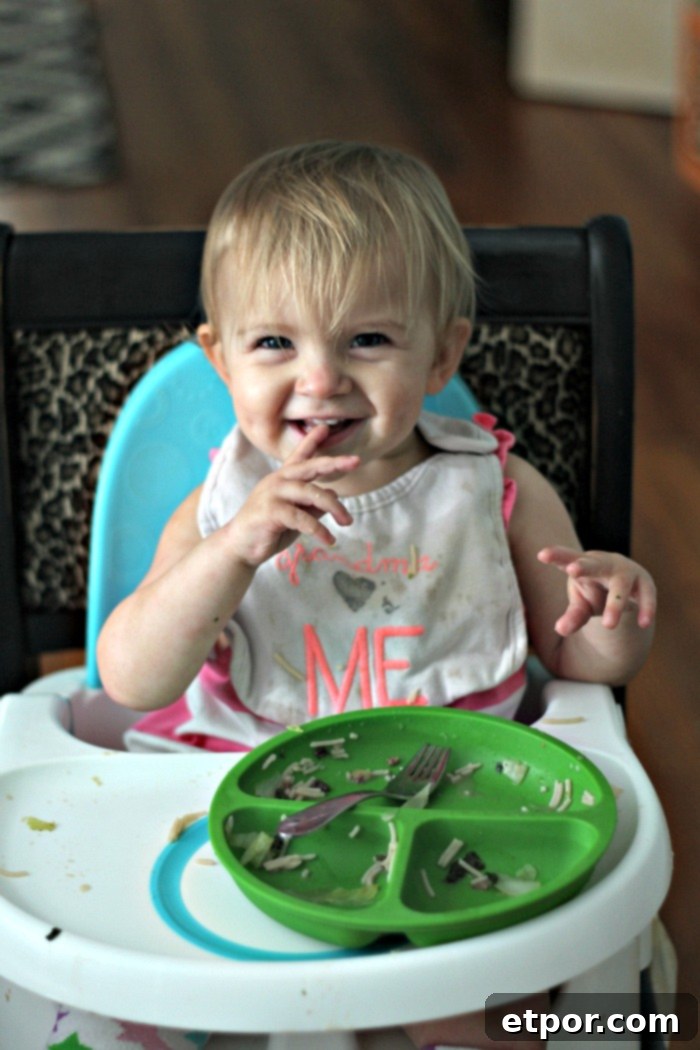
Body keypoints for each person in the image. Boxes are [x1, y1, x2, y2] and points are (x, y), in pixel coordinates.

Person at [51, 141, 657, 1050]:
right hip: (242, 794)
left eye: (367, 339)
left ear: (443, 347)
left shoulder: (491, 489)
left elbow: (576, 662)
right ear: (221, 359)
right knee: (144, 996)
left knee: (492, 1017)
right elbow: (131, 677)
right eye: (274, 344)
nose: (322, 378)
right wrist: (233, 552)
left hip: (452, 794)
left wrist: (609, 616)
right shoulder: (220, 506)